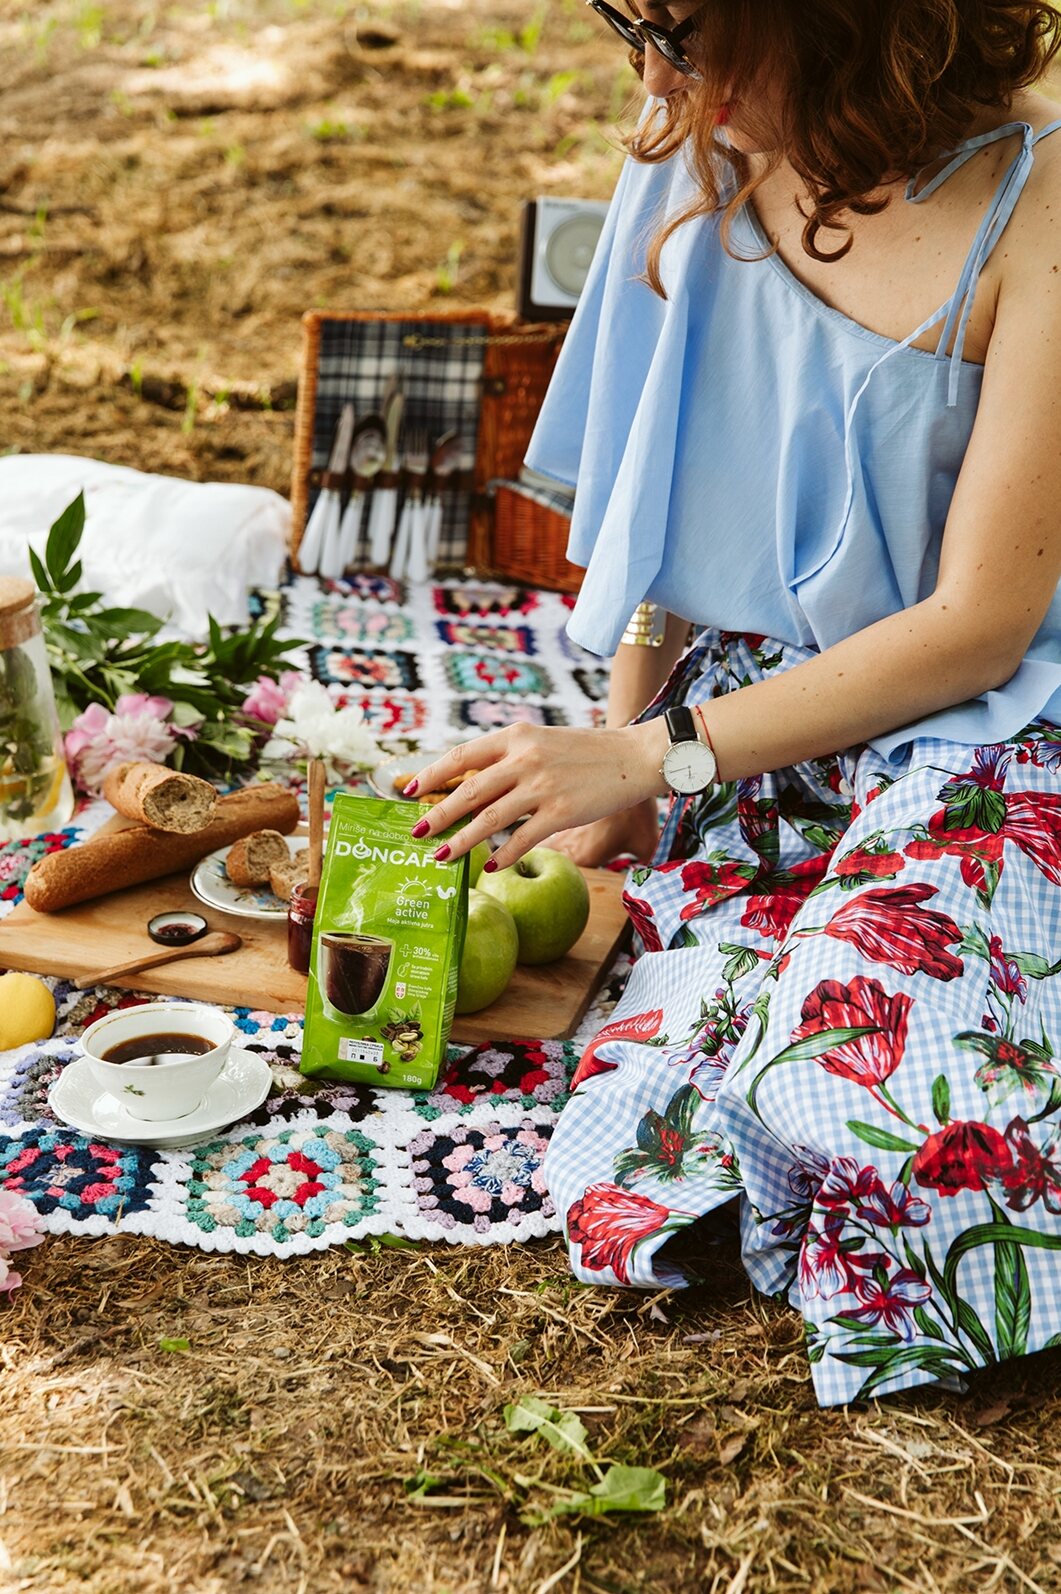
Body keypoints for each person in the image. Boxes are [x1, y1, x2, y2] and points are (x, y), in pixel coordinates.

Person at [408, 0, 1061, 1406]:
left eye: (692, 33)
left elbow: (979, 628)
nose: (656, 76)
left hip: (996, 725)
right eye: (634, 21)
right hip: (771, 722)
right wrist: (622, 758)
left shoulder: (1041, 205)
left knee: (877, 1092)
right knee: (661, 1115)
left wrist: (658, 754)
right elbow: (659, 517)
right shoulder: (692, 144)